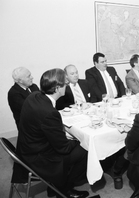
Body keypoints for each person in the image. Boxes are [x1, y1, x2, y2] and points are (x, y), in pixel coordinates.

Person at [16, 68, 89, 198]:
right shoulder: (49, 112)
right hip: (38, 157)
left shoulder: (34, 96)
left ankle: (57, 186)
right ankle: (64, 188)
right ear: (57, 89)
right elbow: (64, 148)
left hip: (26, 148)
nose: (66, 86)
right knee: (85, 148)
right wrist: (78, 139)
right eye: (64, 84)